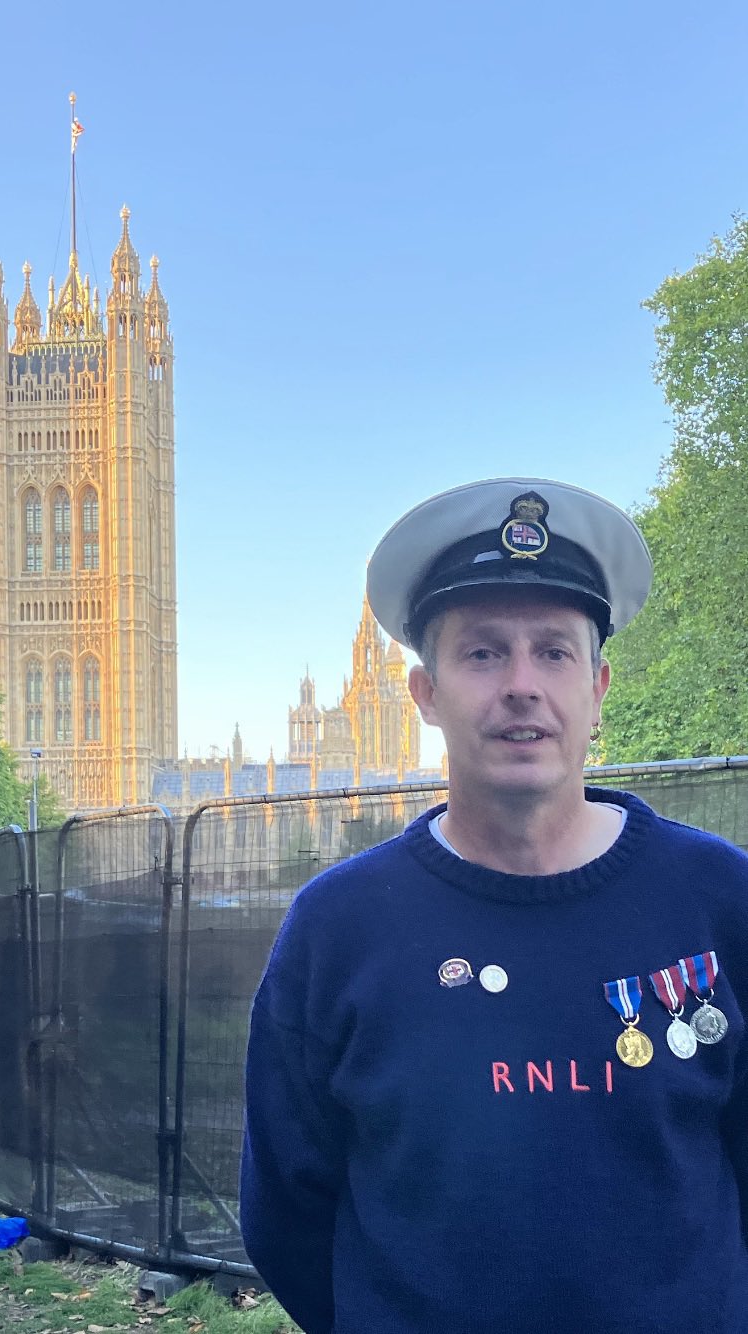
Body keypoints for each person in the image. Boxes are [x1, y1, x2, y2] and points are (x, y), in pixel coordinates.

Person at [240, 477, 748, 1333]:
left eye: (553, 651)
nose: (521, 684)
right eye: (482, 653)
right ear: (426, 695)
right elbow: (288, 1210)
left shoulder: (720, 898)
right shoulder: (338, 929)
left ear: (599, 686)